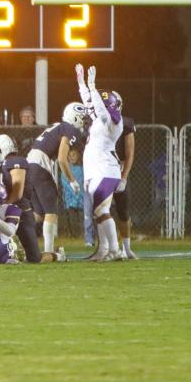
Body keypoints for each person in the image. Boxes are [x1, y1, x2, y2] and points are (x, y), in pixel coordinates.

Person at [75, 63, 125, 261]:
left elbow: (100, 110)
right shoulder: (101, 118)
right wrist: (82, 84)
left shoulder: (114, 121)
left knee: (101, 210)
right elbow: (90, 103)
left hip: (105, 170)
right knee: (99, 212)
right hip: (99, 170)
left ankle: (115, 250)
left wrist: (93, 86)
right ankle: (104, 250)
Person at [25, 102, 87, 257]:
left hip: (30, 164)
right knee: (51, 211)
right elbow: (61, 159)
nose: (84, 121)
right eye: (82, 118)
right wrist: (72, 180)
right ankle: (49, 251)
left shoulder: (57, 125)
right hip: (40, 166)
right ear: (75, 117)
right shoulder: (70, 129)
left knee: (38, 214)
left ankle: (14, 240)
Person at [0, 134, 42, 263]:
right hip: (10, 212)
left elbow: (17, 193)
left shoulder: (15, 160)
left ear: (1, 149)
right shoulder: (5, 165)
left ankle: (57, 255)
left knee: (34, 258)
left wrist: (1, 207)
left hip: (21, 212)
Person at [112, 92, 138, 259]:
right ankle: (109, 248)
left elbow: (129, 154)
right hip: (101, 169)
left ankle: (126, 247)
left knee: (123, 210)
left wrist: (123, 177)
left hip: (117, 168)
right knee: (101, 211)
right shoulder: (97, 122)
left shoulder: (126, 124)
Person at [60, 147, 85, 238]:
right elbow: (65, 185)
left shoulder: (82, 169)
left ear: (78, 156)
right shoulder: (65, 170)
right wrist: (73, 197)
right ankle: (75, 236)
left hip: (81, 199)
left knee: (82, 218)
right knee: (72, 219)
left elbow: (82, 183)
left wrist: (78, 196)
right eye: (69, 155)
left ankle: (84, 235)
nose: (71, 157)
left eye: (74, 155)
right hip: (70, 200)